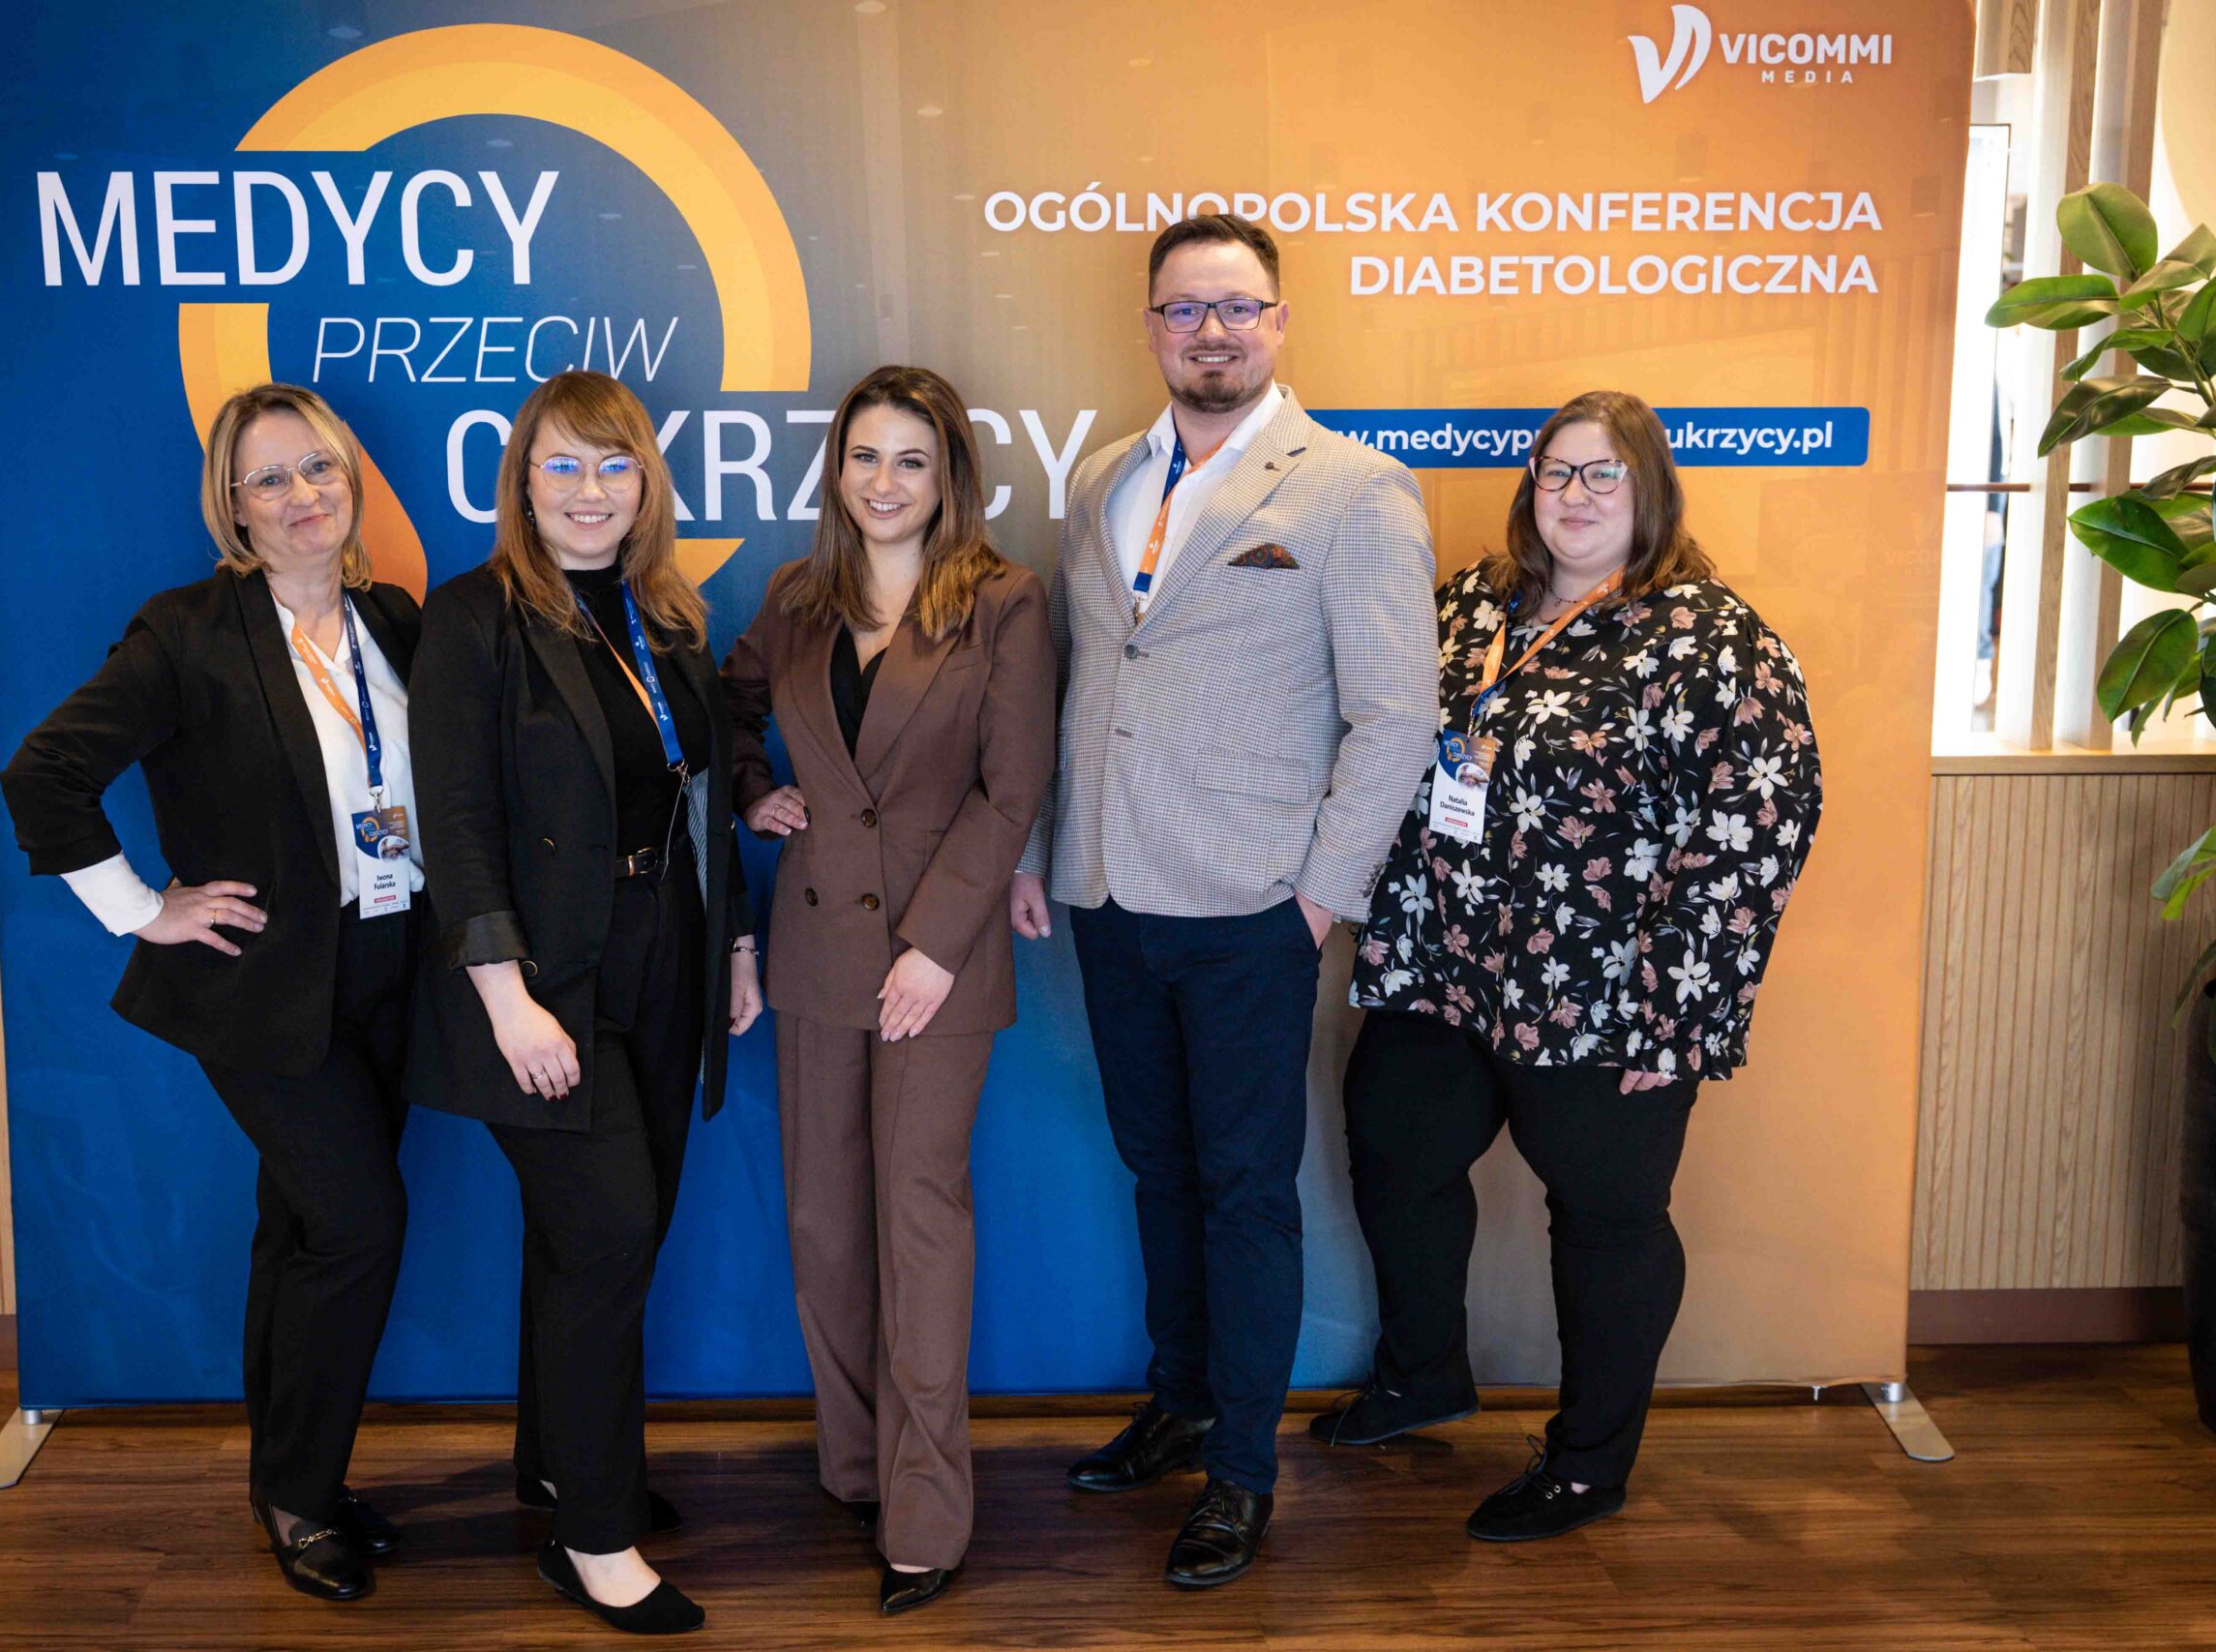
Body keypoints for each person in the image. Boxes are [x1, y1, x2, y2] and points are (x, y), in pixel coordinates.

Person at [1008, 213, 1440, 1587]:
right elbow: (1081, 681)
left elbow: (1396, 716)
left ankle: (1243, 1471)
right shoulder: (1103, 480)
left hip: (1254, 905)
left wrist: (1319, 898)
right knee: (1161, 1173)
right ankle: (1183, 1399)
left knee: (1247, 1193)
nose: (1212, 331)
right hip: (1109, 889)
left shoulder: (1355, 490)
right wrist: (1042, 848)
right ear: (1150, 326)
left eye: (1237, 307)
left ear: (1279, 322)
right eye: (1186, 308)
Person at [1318, 389, 1823, 1543]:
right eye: (1556, 472)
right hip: (1441, 959)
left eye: (1604, 474)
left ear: (1649, 491)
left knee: (1605, 1217)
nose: (1576, 495)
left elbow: (1760, 823)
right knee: (1395, 1158)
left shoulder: (1710, 635)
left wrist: (1680, 1016)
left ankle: (1590, 1461)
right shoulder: (1470, 600)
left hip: (1606, 992)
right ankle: (1421, 1376)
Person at [0, 383, 423, 1603]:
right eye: (270, 479)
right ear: (232, 507)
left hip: (390, 971)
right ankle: (300, 1497)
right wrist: (143, 908)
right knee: (358, 1226)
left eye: (319, 469)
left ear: (350, 481)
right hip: (261, 988)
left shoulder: (393, 621)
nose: (302, 496)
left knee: (301, 1232)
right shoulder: (187, 631)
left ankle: (290, 1479)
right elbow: (44, 774)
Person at [405, 370, 763, 1637]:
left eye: (614, 465)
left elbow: (700, 798)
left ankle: (562, 1465)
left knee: (605, 1237)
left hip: (668, 951)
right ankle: (594, 1540)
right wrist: (506, 1000)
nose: (589, 491)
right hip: (544, 977)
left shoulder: (669, 615)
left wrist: (735, 943)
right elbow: (455, 823)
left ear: (646, 483)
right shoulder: (475, 616)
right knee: (606, 1236)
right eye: (562, 464)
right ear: (521, 481)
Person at [721, 366, 1056, 1615]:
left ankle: (925, 1513)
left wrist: (936, 942)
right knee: (824, 1223)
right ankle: (856, 1466)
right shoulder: (796, 599)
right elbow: (723, 710)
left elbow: (1011, 789)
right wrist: (754, 790)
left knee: (918, 1227)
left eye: (911, 458)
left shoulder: (1002, 601)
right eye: (864, 455)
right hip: (814, 953)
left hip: (936, 964)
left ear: (949, 473)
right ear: (837, 470)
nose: (884, 480)